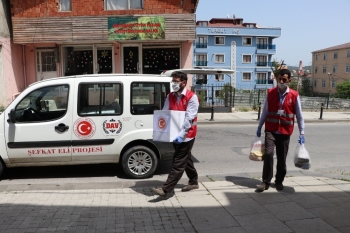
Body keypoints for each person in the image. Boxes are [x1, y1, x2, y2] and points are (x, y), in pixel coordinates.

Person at [152, 71, 199, 198]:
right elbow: (165, 113)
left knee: (178, 161)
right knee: (186, 158)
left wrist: (182, 135)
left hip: (187, 134)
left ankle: (166, 189)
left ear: (184, 82)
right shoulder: (170, 96)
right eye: (173, 81)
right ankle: (194, 181)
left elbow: (189, 118)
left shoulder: (191, 97)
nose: (174, 84)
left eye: (176, 81)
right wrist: (162, 130)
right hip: (174, 134)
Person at [256, 69, 305, 191]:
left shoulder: (294, 95)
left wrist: (302, 132)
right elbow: (265, 111)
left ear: (289, 80)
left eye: (284, 79)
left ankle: (279, 181)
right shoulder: (271, 93)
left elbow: (299, 116)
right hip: (271, 130)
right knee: (268, 154)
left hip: (284, 131)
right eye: (279, 79)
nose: (281, 81)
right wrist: (259, 126)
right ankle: (266, 181)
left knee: (281, 159)